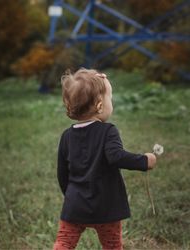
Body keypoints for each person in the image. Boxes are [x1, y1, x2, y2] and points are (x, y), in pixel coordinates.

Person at [53, 68, 156, 250]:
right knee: (112, 246)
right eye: (110, 97)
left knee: (64, 243)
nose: (111, 102)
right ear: (100, 105)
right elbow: (116, 157)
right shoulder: (108, 131)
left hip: (75, 206)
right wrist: (144, 160)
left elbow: (62, 173)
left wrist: (70, 197)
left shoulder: (66, 136)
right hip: (106, 207)